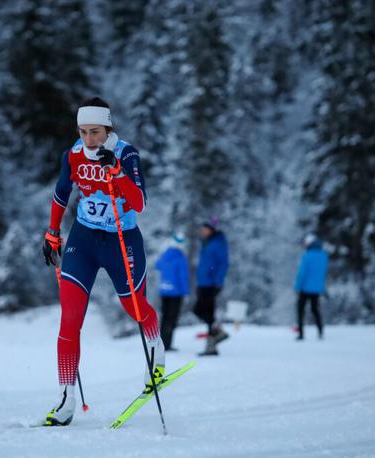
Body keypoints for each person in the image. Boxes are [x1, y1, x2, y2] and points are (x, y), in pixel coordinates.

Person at [42, 97, 165, 426]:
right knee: (69, 320)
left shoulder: (126, 153)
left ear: (108, 127)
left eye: (95, 132)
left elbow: (139, 203)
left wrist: (117, 173)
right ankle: (66, 398)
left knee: (135, 308)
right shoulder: (74, 154)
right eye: (83, 132)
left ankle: (155, 345)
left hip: (120, 240)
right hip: (83, 239)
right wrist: (53, 232)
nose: (89, 139)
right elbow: (61, 191)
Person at [193, 218, 229, 356]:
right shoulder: (207, 242)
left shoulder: (218, 243)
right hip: (203, 282)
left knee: (199, 310)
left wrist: (218, 282)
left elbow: (223, 264)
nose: (202, 231)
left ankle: (218, 332)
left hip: (211, 283)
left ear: (211, 229)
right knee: (207, 312)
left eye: (204, 228)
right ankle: (211, 346)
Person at [155, 232, 190, 351]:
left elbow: (157, 265)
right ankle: (167, 345)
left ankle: (160, 343)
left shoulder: (165, 254)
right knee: (172, 319)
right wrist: (186, 291)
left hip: (164, 290)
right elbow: (183, 276)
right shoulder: (180, 257)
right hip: (176, 293)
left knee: (164, 318)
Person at [294, 233, 328, 340]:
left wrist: (297, 287)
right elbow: (322, 273)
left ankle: (301, 333)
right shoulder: (323, 256)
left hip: (305, 288)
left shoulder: (307, 256)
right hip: (317, 288)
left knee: (300, 310)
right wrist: (322, 287)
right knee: (315, 310)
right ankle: (320, 331)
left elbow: (302, 273)